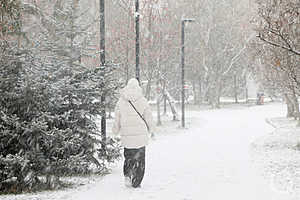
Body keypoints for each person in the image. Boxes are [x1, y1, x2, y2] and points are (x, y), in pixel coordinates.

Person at [112, 78, 155, 188]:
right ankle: (137, 181)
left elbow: (117, 119)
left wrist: (115, 131)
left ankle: (127, 175)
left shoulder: (121, 102)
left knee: (128, 157)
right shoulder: (143, 100)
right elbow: (148, 118)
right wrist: (152, 129)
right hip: (140, 136)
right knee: (140, 160)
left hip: (127, 136)